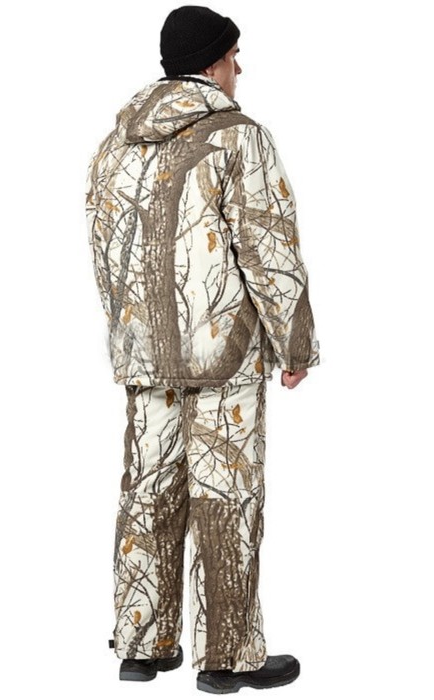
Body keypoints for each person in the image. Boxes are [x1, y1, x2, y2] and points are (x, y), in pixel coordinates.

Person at [84, 5, 321, 694]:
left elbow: (104, 248)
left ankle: (142, 645)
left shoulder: (116, 143)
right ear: (213, 63)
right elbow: (269, 249)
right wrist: (295, 343)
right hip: (223, 353)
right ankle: (228, 656)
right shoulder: (238, 138)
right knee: (226, 497)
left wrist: (130, 337)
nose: (240, 67)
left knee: (149, 491)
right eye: (234, 55)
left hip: (144, 355)